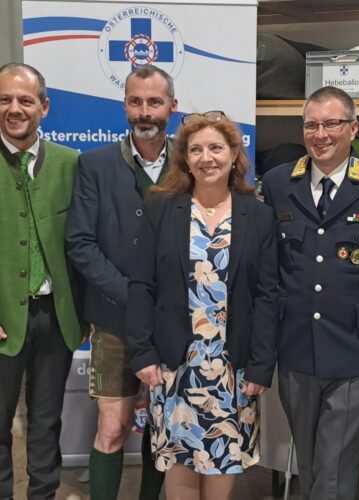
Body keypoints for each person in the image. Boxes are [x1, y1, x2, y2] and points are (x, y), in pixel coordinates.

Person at [262, 86, 359, 500]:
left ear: (353, 128)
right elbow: (271, 263)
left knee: (335, 471)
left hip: (356, 349)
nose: (321, 135)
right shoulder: (278, 182)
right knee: (310, 464)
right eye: (311, 125)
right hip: (296, 346)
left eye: (331, 124)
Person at [125, 111, 278, 500]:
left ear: (234, 154)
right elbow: (142, 285)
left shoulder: (259, 216)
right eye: (196, 150)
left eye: (215, 148)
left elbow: (267, 295)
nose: (206, 157)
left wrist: (261, 364)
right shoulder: (161, 209)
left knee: (222, 463)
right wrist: (142, 352)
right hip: (175, 368)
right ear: (185, 159)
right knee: (180, 466)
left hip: (232, 370)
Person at [65, 64, 175, 500]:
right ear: (124, 105)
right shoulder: (95, 165)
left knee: (164, 427)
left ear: (172, 106)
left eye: (154, 102)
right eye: (135, 101)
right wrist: (131, 296)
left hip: (173, 322)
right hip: (114, 321)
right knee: (112, 427)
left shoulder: (191, 164)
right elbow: (80, 243)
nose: (144, 111)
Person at [0, 63, 85, 499]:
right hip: (2, 319)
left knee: (47, 421)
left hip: (56, 317)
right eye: (4, 99)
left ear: (44, 107)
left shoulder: (72, 164)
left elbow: (86, 242)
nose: (14, 109)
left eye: (25, 100)